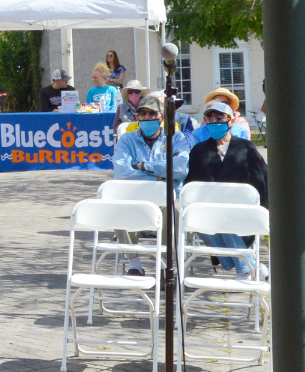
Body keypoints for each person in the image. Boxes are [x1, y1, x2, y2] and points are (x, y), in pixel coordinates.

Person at [184, 99, 269, 277]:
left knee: (225, 217)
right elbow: (192, 184)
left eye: (220, 117)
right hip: (210, 214)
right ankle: (247, 265)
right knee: (196, 219)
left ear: (230, 121)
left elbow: (261, 179)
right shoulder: (199, 150)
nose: (215, 122)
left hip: (242, 212)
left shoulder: (245, 147)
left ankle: (243, 267)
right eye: (210, 118)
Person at [111, 93, 191, 275]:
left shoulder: (176, 138)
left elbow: (180, 169)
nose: (147, 118)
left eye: (152, 114)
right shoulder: (127, 140)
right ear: (137, 117)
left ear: (161, 116)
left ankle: (165, 265)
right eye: (142, 114)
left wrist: (143, 166)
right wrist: (157, 177)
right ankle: (134, 265)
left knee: (175, 210)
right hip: (135, 199)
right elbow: (121, 173)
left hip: (166, 201)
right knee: (118, 208)